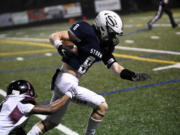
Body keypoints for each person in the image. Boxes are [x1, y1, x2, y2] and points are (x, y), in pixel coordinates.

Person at [27, 10, 151, 135]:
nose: (113, 37)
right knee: (101, 105)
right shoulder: (86, 31)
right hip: (66, 80)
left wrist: (132, 76)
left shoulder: (105, 46)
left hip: (65, 82)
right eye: (112, 33)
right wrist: (60, 46)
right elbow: (54, 36)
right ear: (103, 28)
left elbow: (116, 68)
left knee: (51, 122)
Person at [0, 80, 76, 135]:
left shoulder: (7, 102)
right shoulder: (22, 102)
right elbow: (51, 109)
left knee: (18, 130)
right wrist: (69, 93)